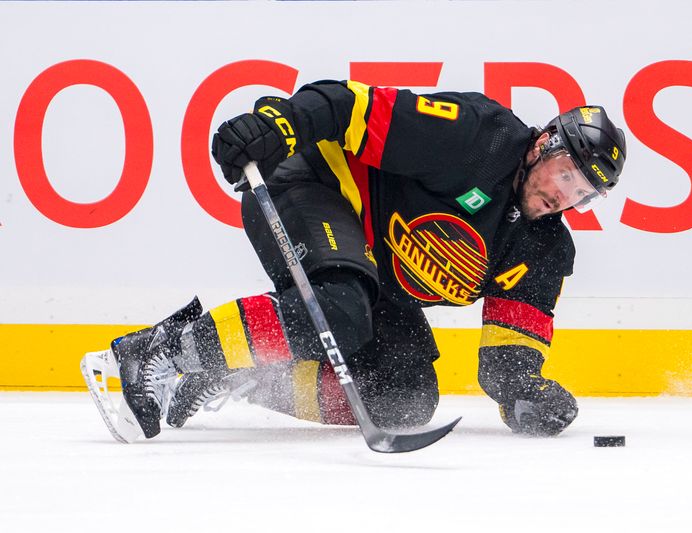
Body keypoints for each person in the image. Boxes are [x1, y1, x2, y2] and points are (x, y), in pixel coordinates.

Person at [81, 79, 626, 443]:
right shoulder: (476, 136)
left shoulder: (544, 246)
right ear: (544, 144)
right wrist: (280, 124)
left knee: (406, 396)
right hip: (310, 183)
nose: (567, 197)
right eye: (567, 175)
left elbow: (507, 354)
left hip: (370, 269)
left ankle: (239, 372)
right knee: (341, 307)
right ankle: (151, 355)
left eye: (584, 193)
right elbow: (350, 105)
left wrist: (524, 393)